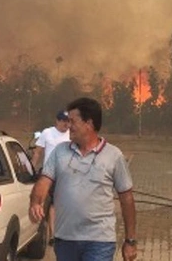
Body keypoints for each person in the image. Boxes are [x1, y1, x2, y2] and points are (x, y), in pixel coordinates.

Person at [29, 97, 138, 261]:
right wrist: (35, 202)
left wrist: (130, 240)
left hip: (99, 240)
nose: (68, 126)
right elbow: (44, 180)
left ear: (89, 123)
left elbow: (127, 199)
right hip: (65, 238)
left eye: (72, 121)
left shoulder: (114, 156)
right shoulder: (60, 152)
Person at [31, 110, 72, 242]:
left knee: (57, 204)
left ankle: (55, 234)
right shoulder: (47, 133)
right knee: (42, 201)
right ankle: (45, 233)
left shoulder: (72, 135)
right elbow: (37, 153)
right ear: (57, 121)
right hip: (47, 174)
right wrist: (31, 169)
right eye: (64, 121)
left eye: (68, 121)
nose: (66, 124)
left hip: (64, 174)